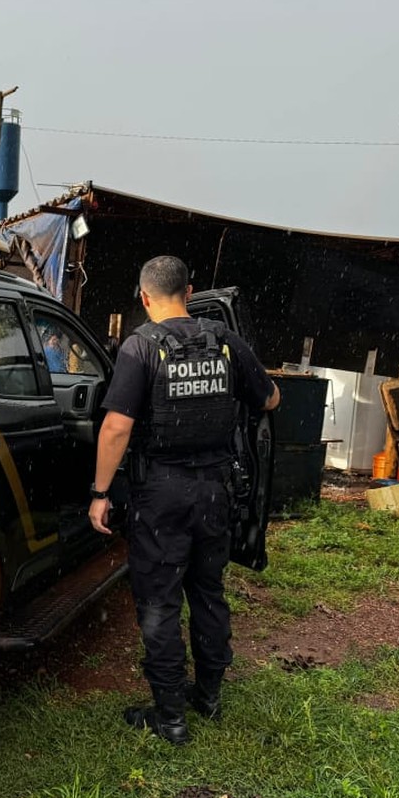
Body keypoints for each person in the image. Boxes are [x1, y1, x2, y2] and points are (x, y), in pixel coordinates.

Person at [89, 255, 280, 746]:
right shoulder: (225, 341)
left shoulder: (141, 346)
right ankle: (209, 694)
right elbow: (271, 400)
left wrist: (100, 493)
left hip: (161, 493)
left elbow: (116, 427)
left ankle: (170, 716)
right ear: (190, 292)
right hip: (216, 490)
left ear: (144, 296)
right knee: (208, 591)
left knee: (159, 601)